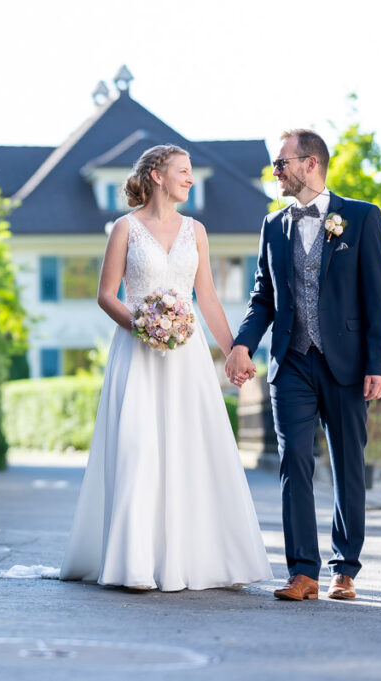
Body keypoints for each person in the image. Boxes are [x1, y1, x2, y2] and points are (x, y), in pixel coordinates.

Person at [58, 144, 273, 591]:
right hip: (136, 354)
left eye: (191, 172)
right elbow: (106, 296)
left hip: (186, 357)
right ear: (157, 175)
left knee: (187, 448)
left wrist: (234, 351)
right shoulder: (125, 228)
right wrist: (142, 326)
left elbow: (207, 298)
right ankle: (133, 562)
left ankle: (190, 559)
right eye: (183, 171)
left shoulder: (197, 230)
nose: (190, 178)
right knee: (138, 449)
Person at [225, 129, 381, 601]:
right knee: (294, 460)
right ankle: (303, 572)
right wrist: (242, 345)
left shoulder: (361, 217)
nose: (275, 171)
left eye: (282, 163)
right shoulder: (272, 225)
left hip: (347, 363)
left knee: (347, 464)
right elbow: (262, 297)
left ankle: (345, 567)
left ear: (310, 163)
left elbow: (377, 297)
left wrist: (379, 363)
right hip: (291, 362)